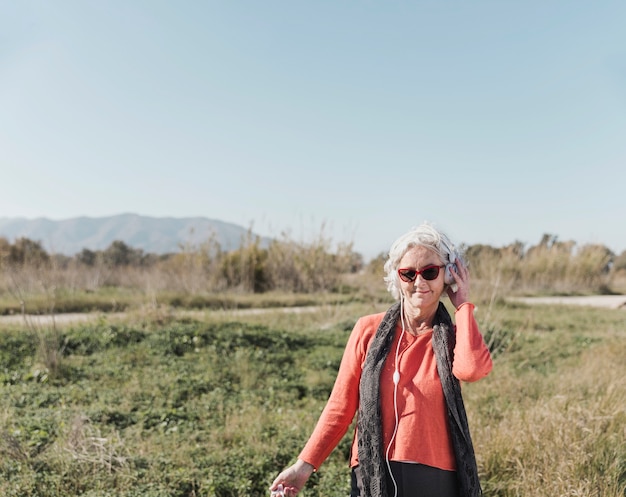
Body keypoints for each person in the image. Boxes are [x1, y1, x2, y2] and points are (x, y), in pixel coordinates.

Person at [270, 223, 493, 497]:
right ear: (397, 278)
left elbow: (471, 370)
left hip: (435, 478)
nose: (419, 282)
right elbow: (340, 406)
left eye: (430, 272)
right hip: (371, 473)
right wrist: (303, 467)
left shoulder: (455, 336)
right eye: (408, 273)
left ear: (448, 276)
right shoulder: (367, 330)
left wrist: (463, 304)